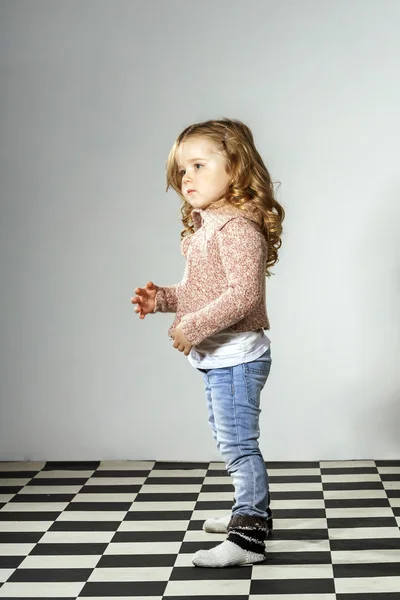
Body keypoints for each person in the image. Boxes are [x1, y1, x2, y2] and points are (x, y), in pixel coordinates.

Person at [131, 118, 285, 567]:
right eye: (182, 170)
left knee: (238, 445)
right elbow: (201, 291)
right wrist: (161, 298)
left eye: (199, 165)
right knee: (229, 440)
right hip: (222, 357)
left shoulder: (235, 229)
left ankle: (248, 537)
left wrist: (191, 327)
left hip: (236, 357)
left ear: (235, 168)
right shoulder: (208, 226)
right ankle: (250, 512)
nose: (187, 177)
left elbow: (244, 296)